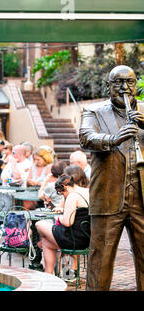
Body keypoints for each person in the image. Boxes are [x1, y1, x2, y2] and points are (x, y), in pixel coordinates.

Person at [79, 65, 144, 291]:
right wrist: (113, 138)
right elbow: (86, 137)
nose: (124, 88)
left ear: (136, 85)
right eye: (118, 83)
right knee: (101, 262)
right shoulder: (94, 111)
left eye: (130, 82)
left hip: (141, 200)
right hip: (108, 198)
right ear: (108, 86)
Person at [35, 174, 90, 275]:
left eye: (61, 193)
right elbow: (81, 213)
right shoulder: (87, 191)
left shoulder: (72, 196)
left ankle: (50, 275)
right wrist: (65, 210)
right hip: (86, 238)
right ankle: (67, 275)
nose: (63, 196)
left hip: (73, 239)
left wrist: (58, 217)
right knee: (46, 242)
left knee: (39, 224)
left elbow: (67, 222)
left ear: (65, 187)